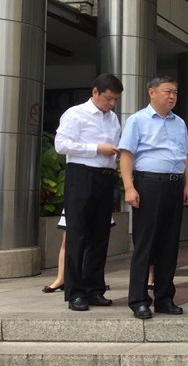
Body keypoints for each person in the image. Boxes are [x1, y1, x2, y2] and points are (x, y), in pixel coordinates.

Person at [119, 75, 188, 320]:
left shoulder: (179, 122)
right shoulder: (137, 120)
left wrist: (187, 185)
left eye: (175, 92)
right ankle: (139, 300)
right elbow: (126, 155)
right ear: (152, 92)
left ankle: (164, 298)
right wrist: (129, 187)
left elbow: (185, 155)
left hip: (174, 185)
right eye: (167, 91)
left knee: (169, 244)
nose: (172, 96)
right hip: (148, 184)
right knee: (145, 243)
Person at [54, 73, 123, 311]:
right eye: (108, 98)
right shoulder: (75, 114)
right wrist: (96, 148)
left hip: (105, 177)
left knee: (100, 235)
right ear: (95, 92)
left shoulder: (113, 118)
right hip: (81, 175)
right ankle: (75, 293)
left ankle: (95, 289)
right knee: (77, 234)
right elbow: (61, 145)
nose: (112, 103)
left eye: (115, 99)